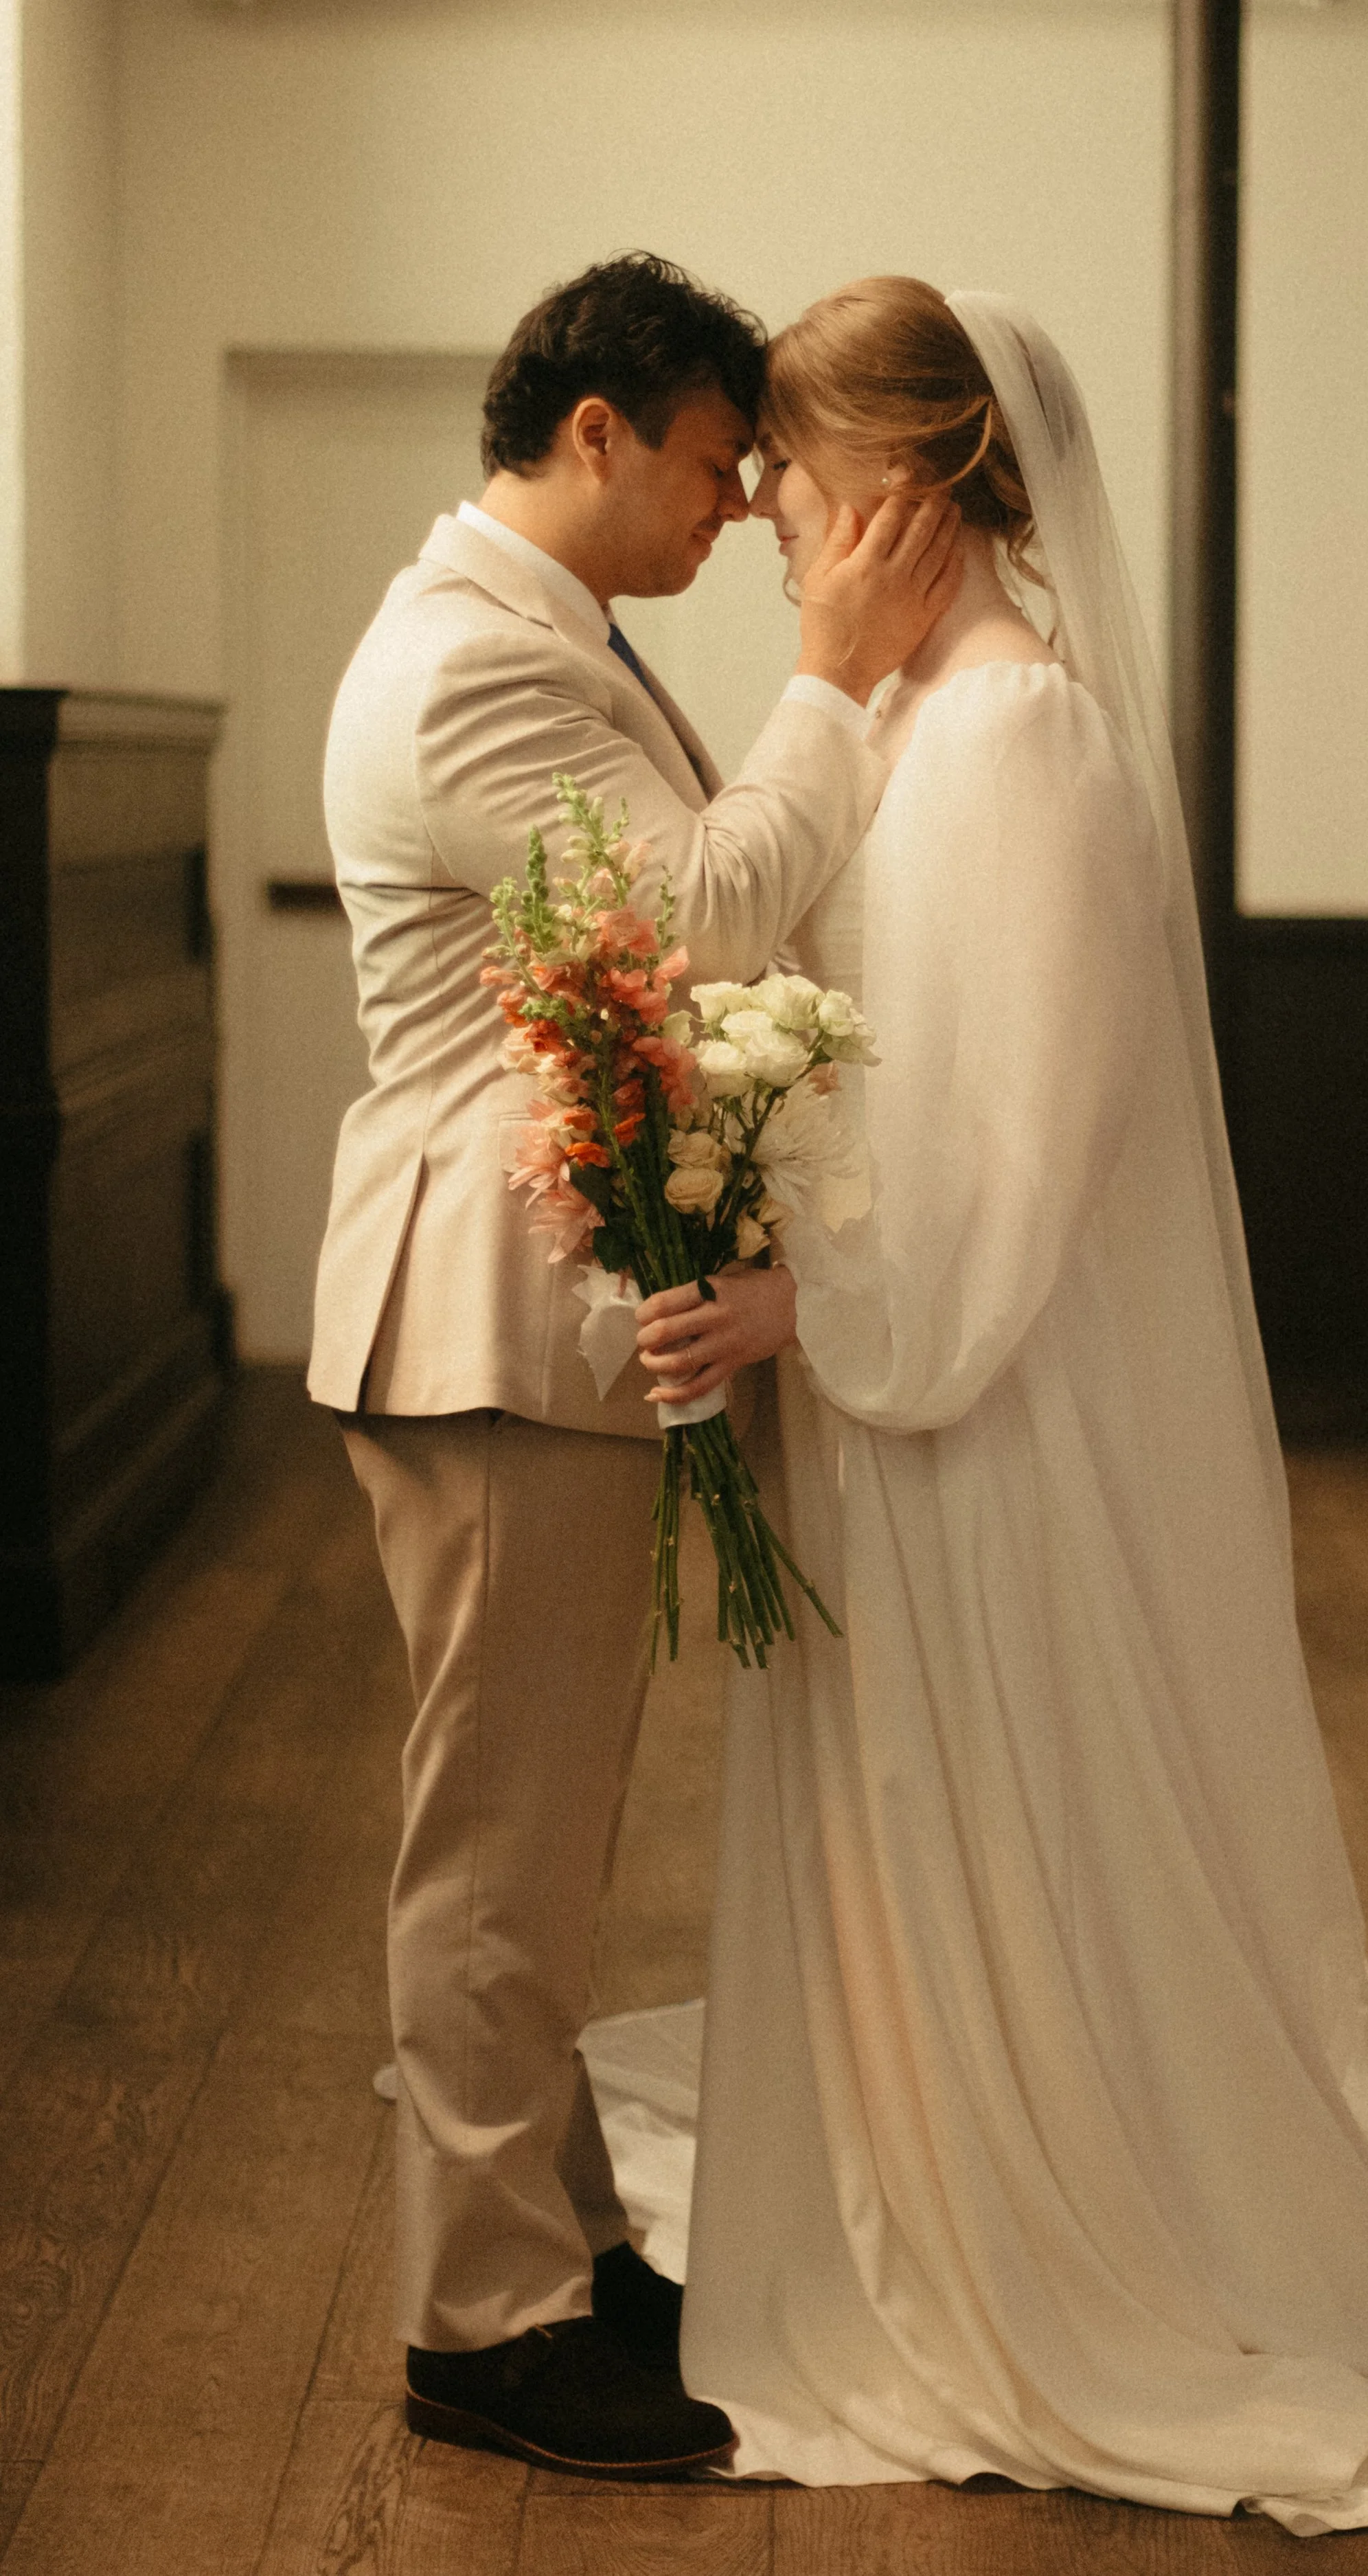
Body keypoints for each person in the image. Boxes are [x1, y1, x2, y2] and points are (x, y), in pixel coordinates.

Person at [629, 280, 1368, 2534]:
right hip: (901, 1391)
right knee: (912, 1842)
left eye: (790, 476)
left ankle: (1033, 2230)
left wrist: (806, 1295)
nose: (773, 521)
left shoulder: (1020, 744)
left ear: (900, 485)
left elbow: (1019, 1158)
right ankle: (932, 2170)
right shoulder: (913, 731)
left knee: (1000, 1824)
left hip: (975, 1412)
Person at [307, 252, 960, 2481]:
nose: (735, 506)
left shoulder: (541, 636)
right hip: (479, 1313)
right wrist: (834, 676)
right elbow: (692, 914)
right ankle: (482, 2323)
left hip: (533, 1307)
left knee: (534, 1831)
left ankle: (561, 2239)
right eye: (708, 461)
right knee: (494, 1846)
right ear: (592, 430)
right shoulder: (469, 669)